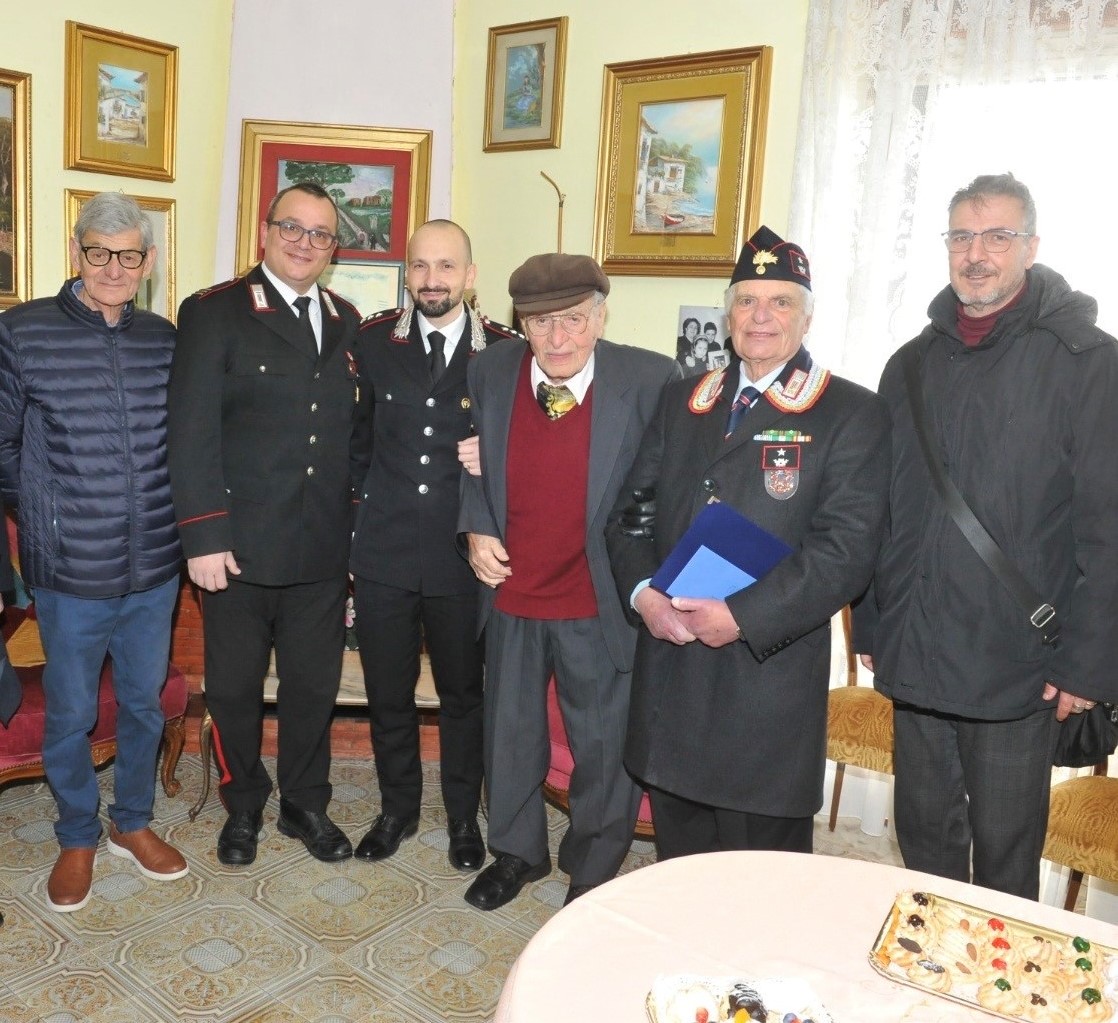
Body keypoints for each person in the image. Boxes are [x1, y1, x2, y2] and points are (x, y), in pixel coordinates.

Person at [853, 173, 1118, 900]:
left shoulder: (1088, 362)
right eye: (962, 236)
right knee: (925, 842)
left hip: (1018, 663)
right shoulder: (907, 365)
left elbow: (1109, 529)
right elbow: (886, 508)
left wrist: (1089, 668)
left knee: (1004, 863)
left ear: (1030, 246)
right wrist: (874, 618)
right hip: (917, 649)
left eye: (998, 236)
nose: (978, 254)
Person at [607, 225, 890, 859]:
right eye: (746, 301)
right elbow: (630, 515)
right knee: (678, 867)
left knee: (760, 885)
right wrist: (643, 594)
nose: (761, 317)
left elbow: (845, 552)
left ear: (806, 318)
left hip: (765, 684)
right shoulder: (683, 399)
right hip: (672, 665)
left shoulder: (851, 413)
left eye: (780, 302)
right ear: (727, 314)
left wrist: (740, 616)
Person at [459, 253, 678, 910]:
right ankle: (518, 853)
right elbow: (473, 462)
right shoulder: (490, 369)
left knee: (602, 746)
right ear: (521, 324)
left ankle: (591, 865)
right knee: (511, 736)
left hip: (597, 594)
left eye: (574, 320)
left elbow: (671, 485)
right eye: (542, 322)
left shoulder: (649, 378)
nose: (558, 338)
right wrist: (474, 528)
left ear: (600, 317)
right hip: (512, 591)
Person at [0, 192, 188, 911]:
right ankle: (77, 832)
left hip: (154, 567)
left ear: (147, 262)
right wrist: (47, 519)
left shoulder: (165, 338)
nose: (114, 267)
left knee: (143, 705)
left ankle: (131, 823)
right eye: (100, 252)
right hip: (71, 571)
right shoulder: (22, 332)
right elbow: (5, 448)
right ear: (77, 253)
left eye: (130, 254)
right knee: (72, 712)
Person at [167, 182, 363, 867]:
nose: (305, 243)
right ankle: (243, 804)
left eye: (320, 234)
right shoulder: (213, 311)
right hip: (237, 549)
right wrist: (204, 536)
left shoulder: (345, 317)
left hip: (319, 546)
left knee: (313, 688)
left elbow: (346, 433)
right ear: (265, 230)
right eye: (293, 227)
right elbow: (190, 433)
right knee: (234, 689)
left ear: (333, 248)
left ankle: (304, 804)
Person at [349, 220, 520, 870]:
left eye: (446, 267)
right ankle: (396, 811)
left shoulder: (504, 352)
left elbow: (535, 445)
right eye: (420, 266)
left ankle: (462, 820)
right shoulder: (372, 342)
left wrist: (495, 454)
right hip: (385, 551)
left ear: (471, 276)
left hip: (462, 555)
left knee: (461, 695)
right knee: (388, 692)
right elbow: (355, 439)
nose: (431, 280)